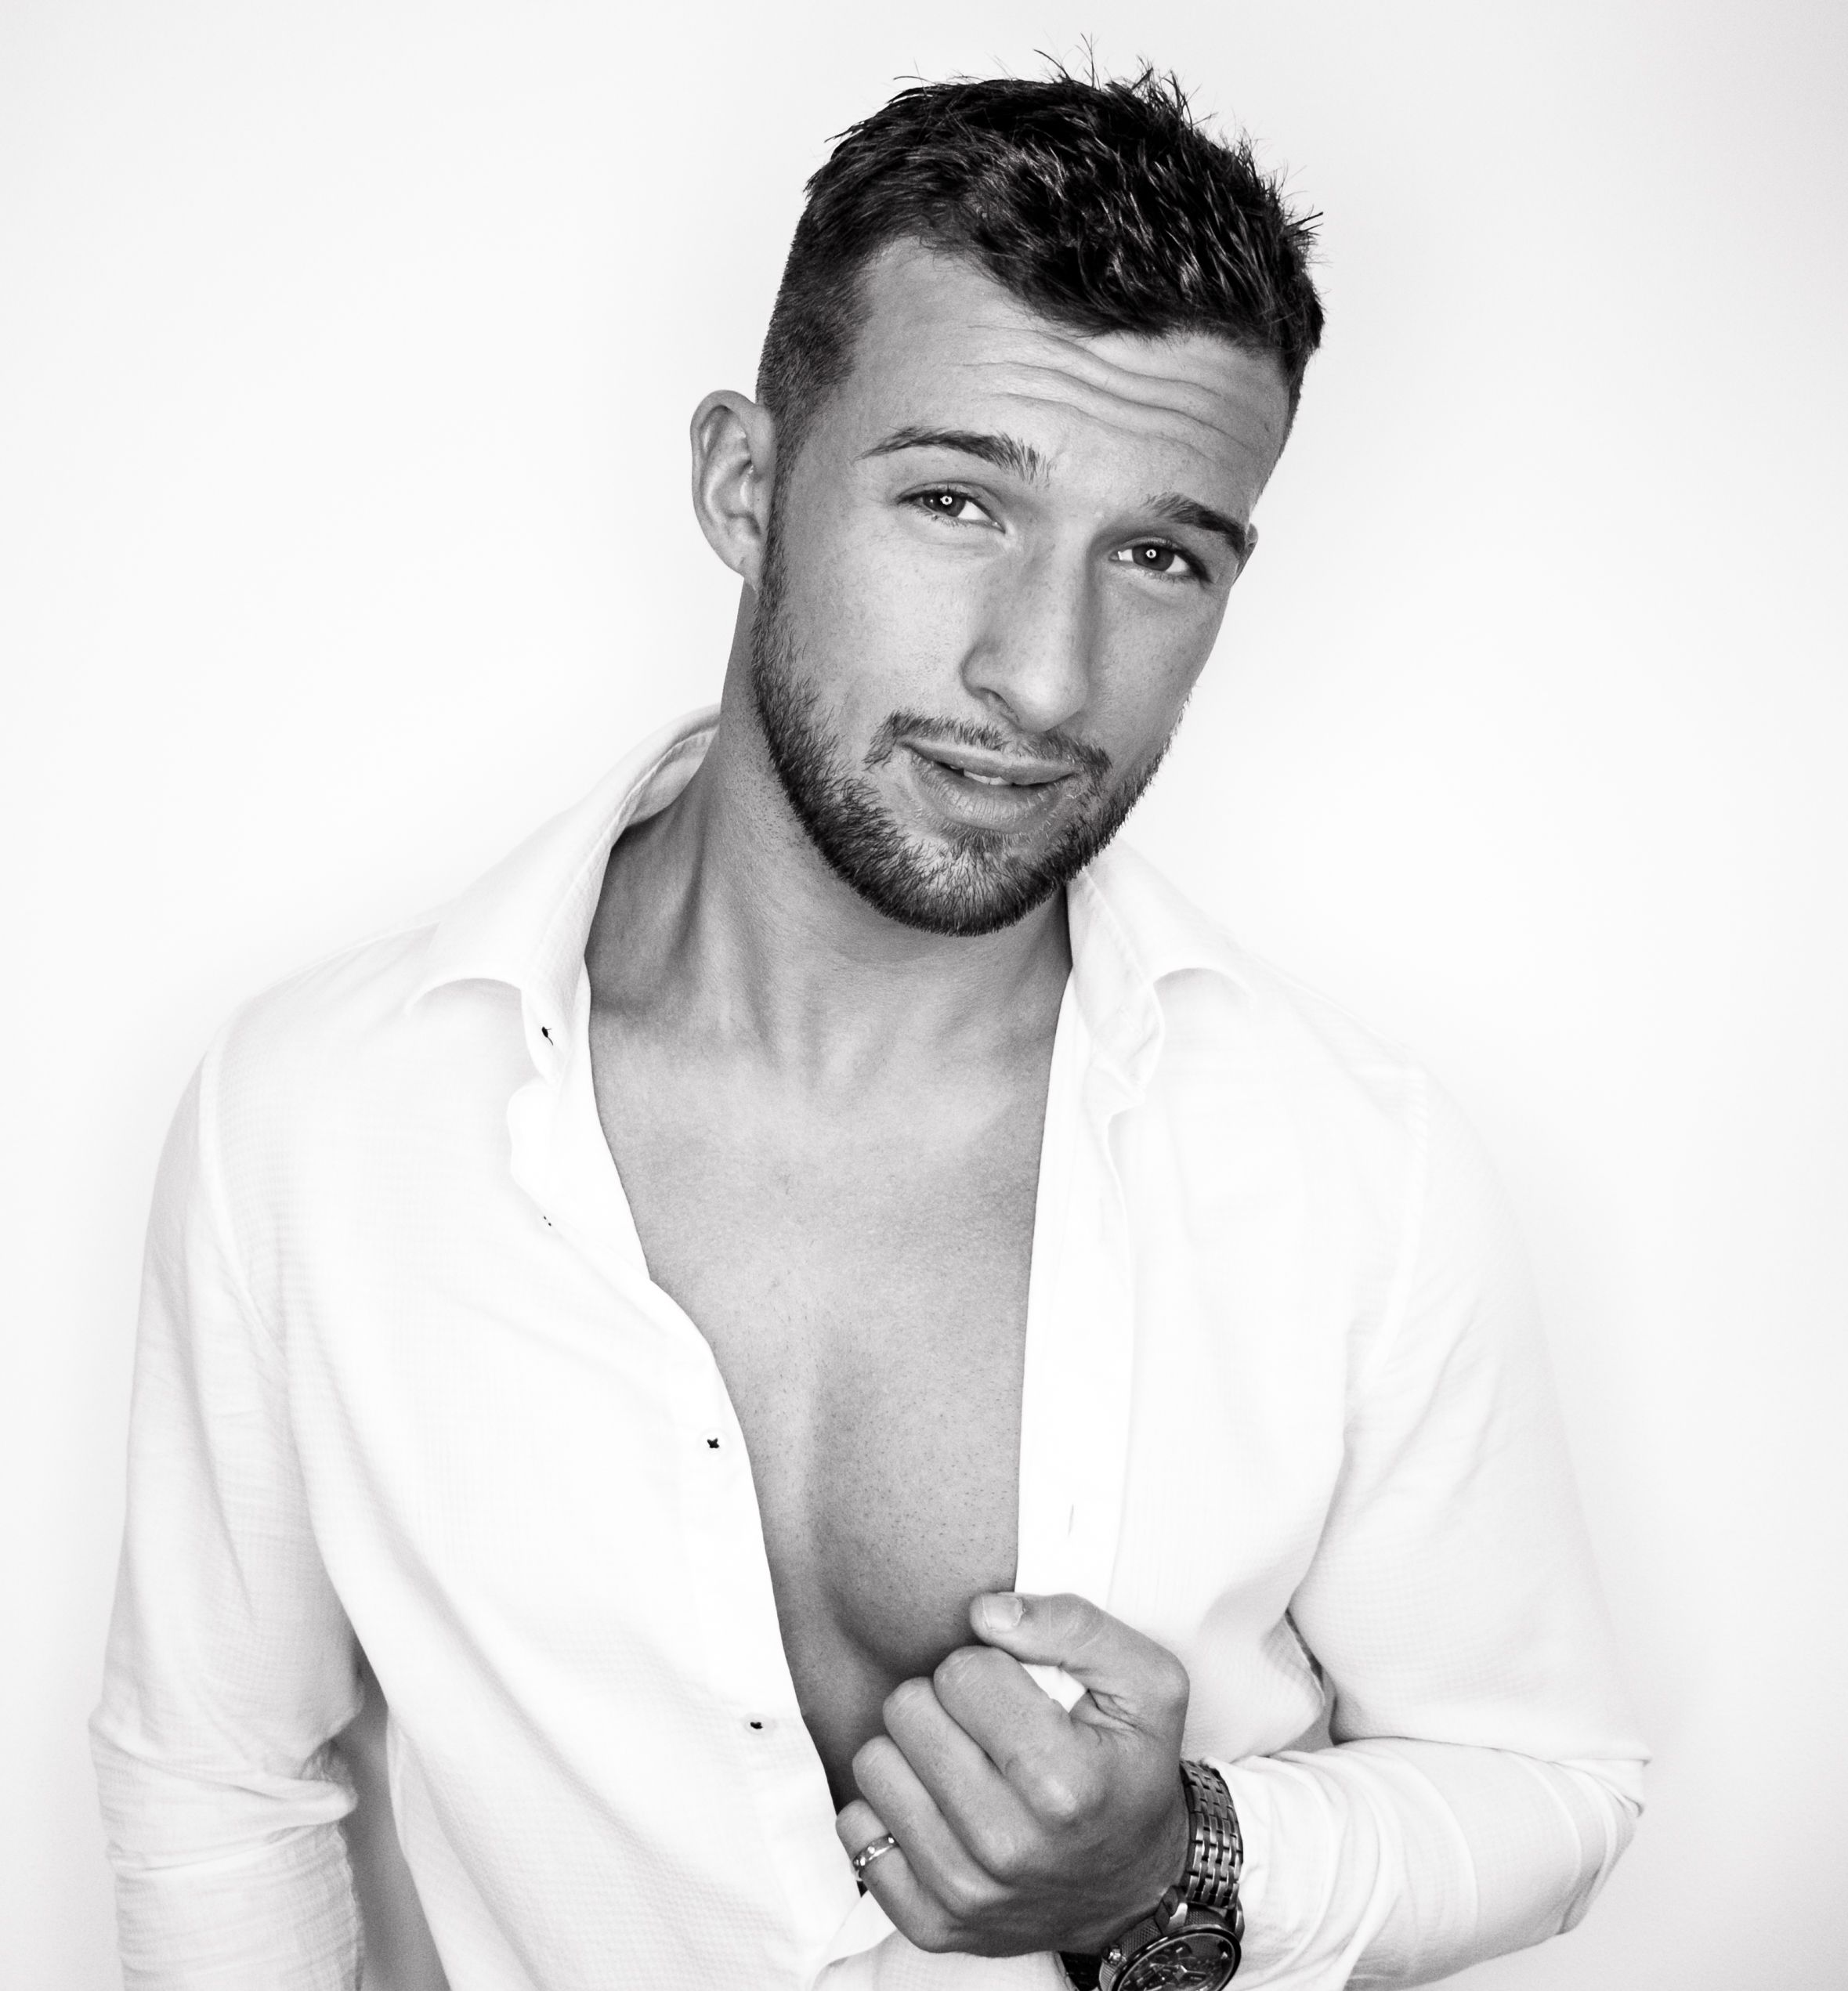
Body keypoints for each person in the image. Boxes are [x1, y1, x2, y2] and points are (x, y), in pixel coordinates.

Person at [92, 69, 1645, 1991]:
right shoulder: (318, 1114)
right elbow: (221, 1779)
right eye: (954, 499)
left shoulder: (1350, 1163)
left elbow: (1550, 1782)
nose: (1042, 674)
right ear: (744, 482)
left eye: (1158, 555)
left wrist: (1182, 1867)